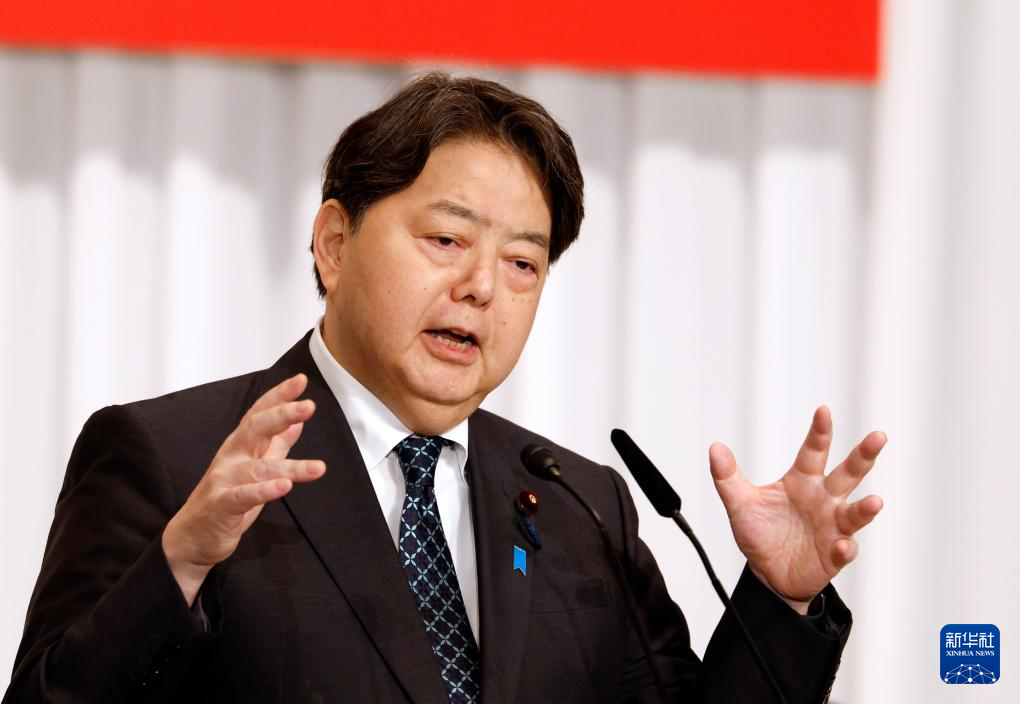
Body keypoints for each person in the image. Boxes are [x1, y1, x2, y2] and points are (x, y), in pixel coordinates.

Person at [4, 73, 885, 703]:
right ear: (335, 244)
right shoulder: (174, 459)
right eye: (447, 241)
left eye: (523, 263)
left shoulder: (580, 509)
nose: (482, 287)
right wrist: (181, 564)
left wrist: (780, 601)